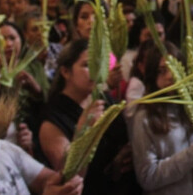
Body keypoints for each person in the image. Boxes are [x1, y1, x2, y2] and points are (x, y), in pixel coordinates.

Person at [38, 40, 138, 194]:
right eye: (86, 65)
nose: (94, 71)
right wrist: (83, 131)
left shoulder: (103, 98)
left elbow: (123, 137)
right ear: (66, 72)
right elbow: (69, 176)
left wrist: (128, 153)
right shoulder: (52, 121)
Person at [131, 42, 193, 194]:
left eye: (175, 69)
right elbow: (147, 177)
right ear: (152, 76)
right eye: (162, 71)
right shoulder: (144, 118)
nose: (170, 76)